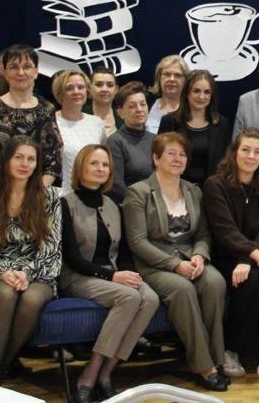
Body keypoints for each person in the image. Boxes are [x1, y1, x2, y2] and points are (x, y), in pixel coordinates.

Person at [122, 132, 229, 391]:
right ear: (156, 158)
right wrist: (175, 265)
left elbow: (203, 234)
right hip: (155, 264)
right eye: (171, 154)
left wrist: (199, 256)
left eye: (182, 155)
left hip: (190, 257)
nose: (178, 159)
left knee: (215, 282)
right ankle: (203, 366)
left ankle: (217, 358)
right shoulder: (138, 192)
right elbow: (138, 242)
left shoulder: (194, 190)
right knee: (182, 289)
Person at [59, 145, 159, 403]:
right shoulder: (65, 204)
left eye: (105, 165)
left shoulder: (113, 205)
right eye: (94, 163)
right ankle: (90, 375)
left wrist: (129, 275)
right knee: (129, 297)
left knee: (150, 298)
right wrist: (113, 277)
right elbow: (72, 257)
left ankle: (106, 373)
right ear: (80, 167)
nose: (100, 169)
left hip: (113, 275)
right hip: (79, 276)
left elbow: (123, 252)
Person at [0, 136, 62, 385]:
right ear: (6, 161)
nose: (25, 164)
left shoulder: (50, 197)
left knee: (31, 298)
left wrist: (26, 274)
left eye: (31, 159)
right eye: (19, 157)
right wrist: (3, 272)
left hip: (39, 273)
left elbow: (51, 249)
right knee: (6, 294)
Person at [202, 128, 259, 385]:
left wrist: (250, 259)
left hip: (252, 256)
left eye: (257, 152)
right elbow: (225, 231)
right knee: (249, 281)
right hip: (224, 255)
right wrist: (256, 259)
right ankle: (233, 351)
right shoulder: (215, 185)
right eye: (246, 150)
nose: (251, 156)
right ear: (234, 152)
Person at [0, 44, 62, 187]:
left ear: (36, 72)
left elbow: (55, 156)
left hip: (39, 191)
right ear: (5, 72)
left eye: (27, 66)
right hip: (2, 190)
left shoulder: (47, 108)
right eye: (14, 67)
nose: (21, 72)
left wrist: (36, 190)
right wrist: (16, 190)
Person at [159, 69, 232, 184]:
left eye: (207, 92)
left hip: (211, 189)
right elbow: (160, 159)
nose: (201, 97)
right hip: (176, 187)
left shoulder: (222, 124)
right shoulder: (169, 121)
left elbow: (226, 162)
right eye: (196, 91)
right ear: (187, 93)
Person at [53, 70, 107, 194]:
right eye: (69, 88)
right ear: (60, 93)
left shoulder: (96, 123)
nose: (76, 92)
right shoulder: (50, 123)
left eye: (81, 87)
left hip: (91, 195)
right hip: (60, 196)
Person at [107, 82, 155, 204]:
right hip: (131, 206)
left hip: (158, 204)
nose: (139, 109)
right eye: (132, 106)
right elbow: (116, 185)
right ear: (120, 113)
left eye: (142, 104)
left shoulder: (155, 139)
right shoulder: (116, 141)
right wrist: (143, 204)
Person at [145, 55, 189, 134]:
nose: (172, 79)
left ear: (186, 80)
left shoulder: (192, 109)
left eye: (178, 75)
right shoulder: (146, 106)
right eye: (167, 74)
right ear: (159, 78)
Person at [85, 69, 121, 137]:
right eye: (99, 85)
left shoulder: (124, 117)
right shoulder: (79, 115)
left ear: (116, 90)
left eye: (110, 85)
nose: (105, 89)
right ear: (89, 88)